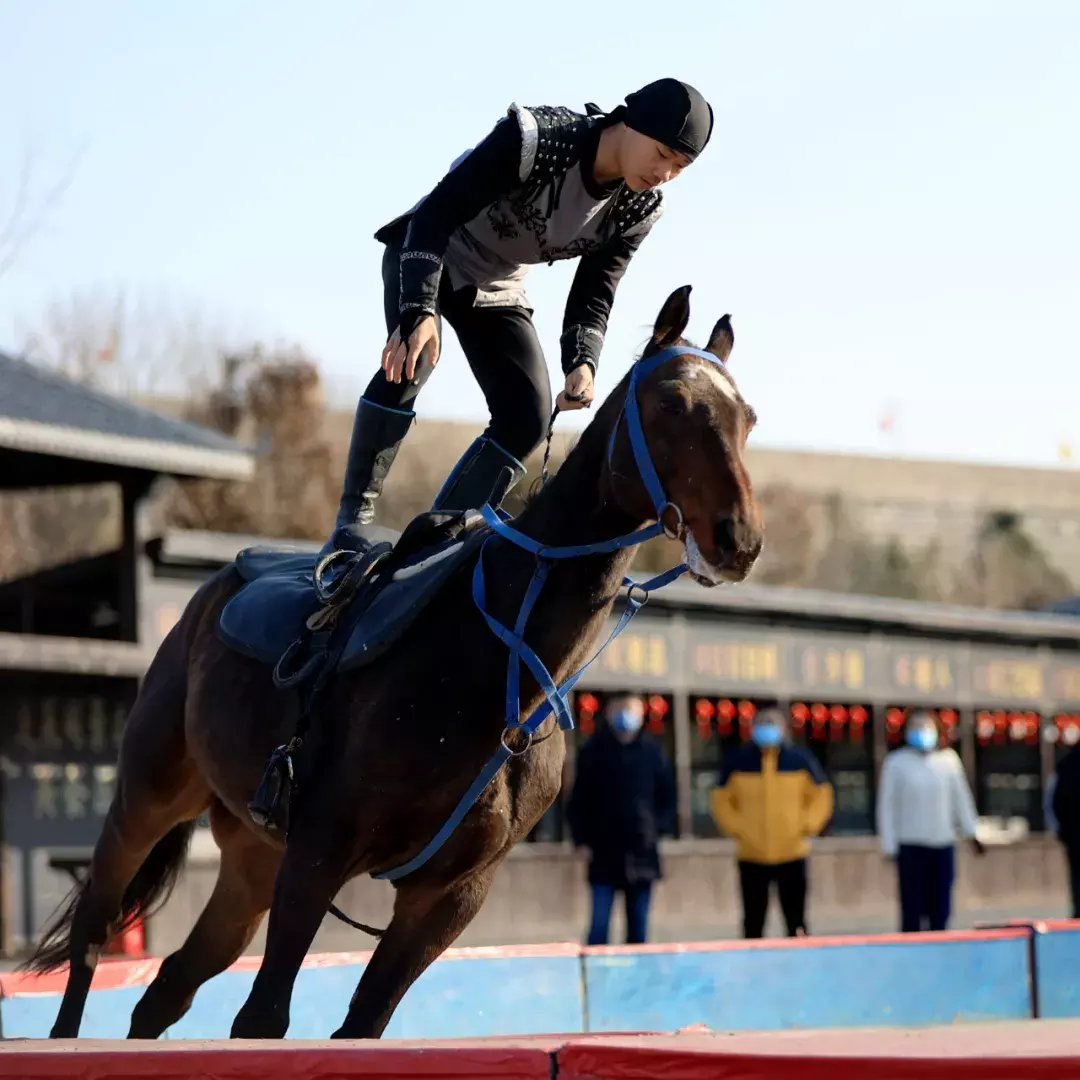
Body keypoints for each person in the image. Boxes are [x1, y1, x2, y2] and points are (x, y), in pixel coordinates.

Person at [321, 78, 715, 554]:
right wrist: (420, 308)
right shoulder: (536, 139)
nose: (665, 173)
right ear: (632, 123)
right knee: (415, 357)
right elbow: (435, 215)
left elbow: (596, 287)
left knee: (528, 417)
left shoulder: (640, 205)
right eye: (661, 153)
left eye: (680, 166)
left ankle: (436, 543)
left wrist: (582, 361)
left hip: (500, 283)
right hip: (433, 250)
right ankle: (351, 523)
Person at [710, 707, 834, 938]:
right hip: (751, 854)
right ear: (752, 727)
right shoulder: (738, 761)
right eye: (762, 723)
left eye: (772, 723)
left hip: (792, 852)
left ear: (784, 728)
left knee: (796, 919)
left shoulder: (800, 760)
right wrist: (737, 828)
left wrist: (807, 825)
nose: (767, 728)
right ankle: (752, 965)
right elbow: (721, 800)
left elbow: (821, 795)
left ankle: (800, 962)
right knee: (753, 921)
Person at [567, 693, 677, 946]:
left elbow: (668, 798)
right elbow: (578, 800)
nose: (624, 717)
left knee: (638, 932)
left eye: (631, 711)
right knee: (598, 928)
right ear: (608, 714)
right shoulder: (593, 751)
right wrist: (581, 839)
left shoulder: (653, 752)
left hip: (642, 854)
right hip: (602, 853)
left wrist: (657, 829)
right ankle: (596, 981)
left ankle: (637, 983)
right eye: (619, 710)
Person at [876, 709, 985, 932]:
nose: (921, 732)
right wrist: (889, 844)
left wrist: (971, 832)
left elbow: (961, 799)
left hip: (942, 843)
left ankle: (940, 947)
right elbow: (887, 806)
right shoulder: (896, 763)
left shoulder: (948, 761)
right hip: (910, 845)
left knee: (940, 906)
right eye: (915, 727)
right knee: (912, 907)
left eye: (925, 727)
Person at [1050, 741, 1080, 918]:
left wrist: (1063, 832)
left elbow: (1054, 802)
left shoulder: (1067, 762)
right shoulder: (1068, 763)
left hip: (1074, 840)